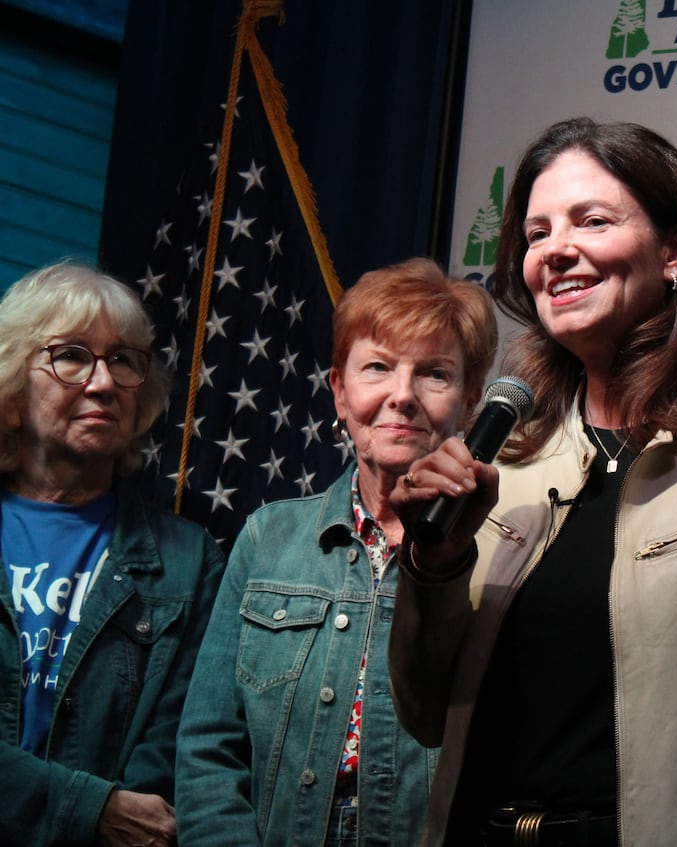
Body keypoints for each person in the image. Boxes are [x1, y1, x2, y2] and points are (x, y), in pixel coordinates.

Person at [387, 117, 677, 847]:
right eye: (537, 233)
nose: (557, 250)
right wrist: (436, 565)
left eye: (592, 220)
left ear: (673, 252)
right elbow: (422, 712)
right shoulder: (503, 450)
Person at [175, 258, 498, 846]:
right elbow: (207, 748)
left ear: (470, 400)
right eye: (377, 367)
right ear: (340, 393)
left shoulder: (504, 553)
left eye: (434, 374)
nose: (402, 396)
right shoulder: (267, 538)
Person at [0, 262, 224, 847]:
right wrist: (90, 808)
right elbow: (116, 813)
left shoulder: (190, 561)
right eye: (71, 355)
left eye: (122, 360)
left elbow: (179, 751)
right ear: (10, 392)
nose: (103, 383)